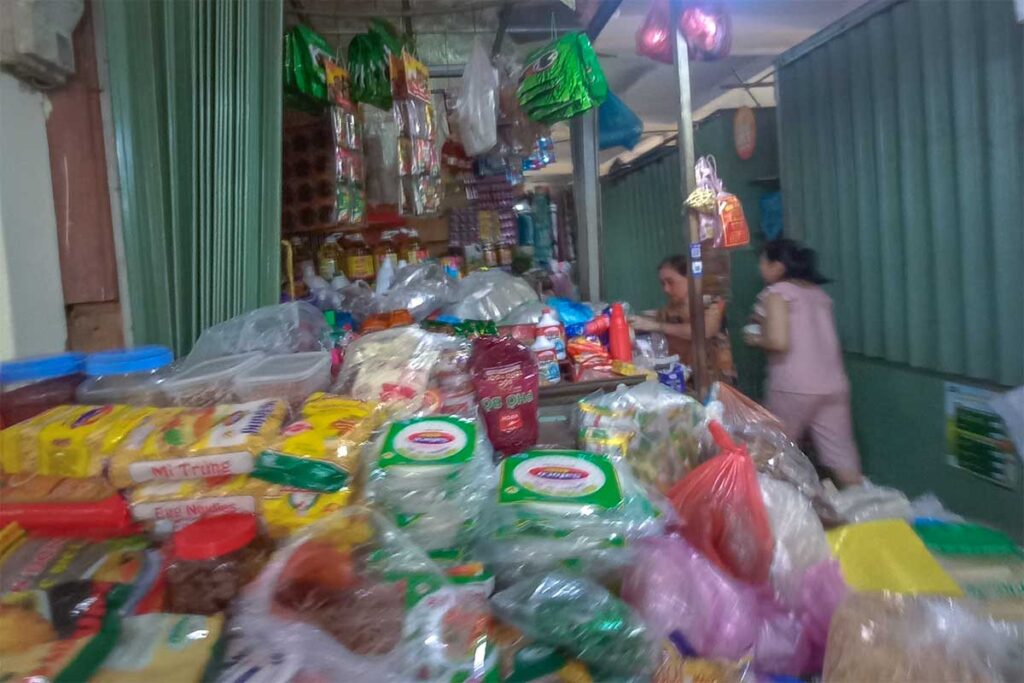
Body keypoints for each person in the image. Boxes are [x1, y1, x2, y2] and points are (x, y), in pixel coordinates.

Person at [745, 238, 862, 486]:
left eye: (763, 262)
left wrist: (753, 338)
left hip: (794, 385)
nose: (760, 268)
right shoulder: (818, 294)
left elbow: (778, 341)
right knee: (843, 459)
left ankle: (780, 515)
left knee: (772, 454)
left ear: (777, 266)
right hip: (834, 385)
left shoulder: (777, 292)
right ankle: (873, 512)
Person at [631, 255, 736, 385]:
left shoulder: (712, 303)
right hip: (682, 381)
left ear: (690, 279)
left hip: (715, 382)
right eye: (663, 283)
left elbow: (703, 331)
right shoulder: (670, 310)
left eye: (670, 282)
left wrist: (655, 325)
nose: (666, 289)